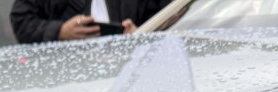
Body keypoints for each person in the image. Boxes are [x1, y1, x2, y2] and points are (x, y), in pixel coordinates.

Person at [10, 0, 168, 43]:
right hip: (72, 83)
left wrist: (143, 33)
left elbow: (172, 14)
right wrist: (59, 31)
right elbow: (21, 21)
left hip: (135, 71)